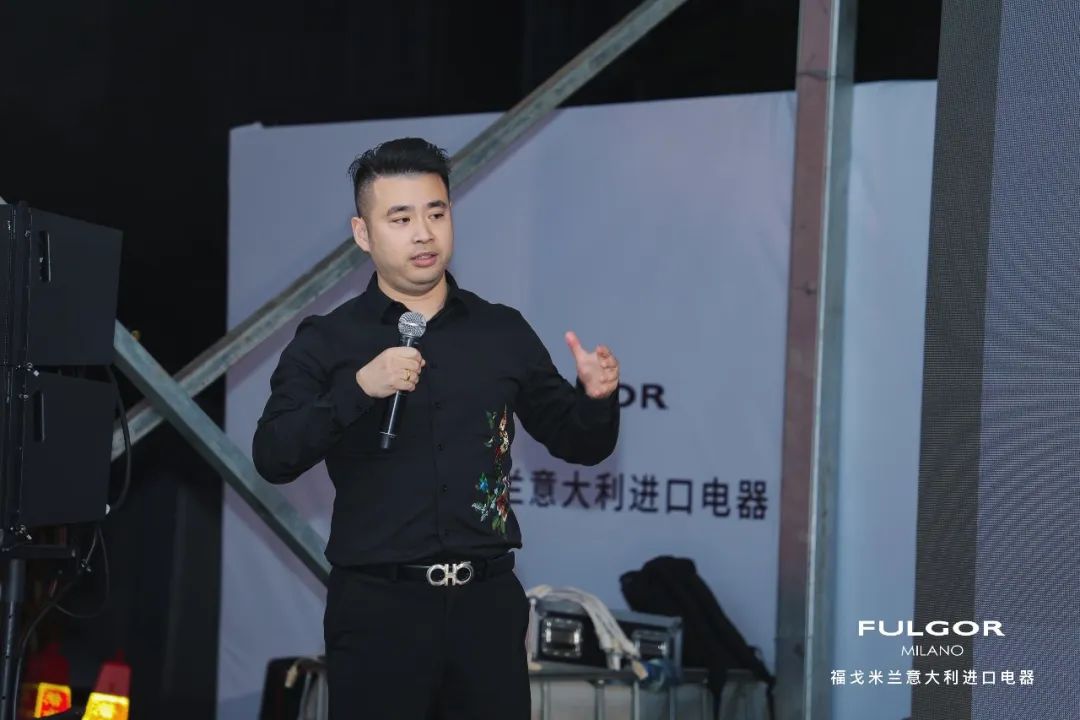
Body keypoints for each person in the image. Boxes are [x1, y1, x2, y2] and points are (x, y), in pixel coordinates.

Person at [252, 137, 621, 719]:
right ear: (363, 233)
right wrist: (359, 388)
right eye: (400, 219)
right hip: (377, 612)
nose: (423, 234)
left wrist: (596, 398)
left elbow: (580, 442)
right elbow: (273, 455)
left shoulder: (501, 332)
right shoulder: (328, 340)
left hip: (486, 608)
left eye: (436, 213)